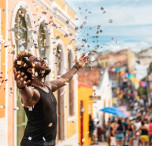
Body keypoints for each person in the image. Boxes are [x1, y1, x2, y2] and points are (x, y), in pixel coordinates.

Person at [13, 52, 88, 146]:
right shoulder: (33, 91)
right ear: (29, 69)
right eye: (36, 60)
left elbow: (64, 79)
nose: (42, 60)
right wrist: (22, 88)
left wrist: (77, 66)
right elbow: (27, 97)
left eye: (40, 58)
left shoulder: (47, 86)